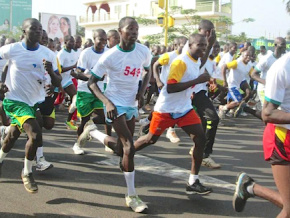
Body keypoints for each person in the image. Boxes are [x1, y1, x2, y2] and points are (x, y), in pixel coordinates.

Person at [85, 17, 152, 213]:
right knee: (129, 147)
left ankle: (94, 132)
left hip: (131, 103)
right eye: (130, 29)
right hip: (115, 104)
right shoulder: (109, 56)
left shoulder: (143, 51)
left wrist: (142, 92)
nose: (134, 33)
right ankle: (131, 196)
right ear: (120, 31)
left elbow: (148, 72)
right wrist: (106, 102)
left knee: (123, 150)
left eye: (136, 30)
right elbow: (91, 82)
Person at [134, 33, 212, 195]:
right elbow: (171, 88)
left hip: (184, 108)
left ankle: (193, 181)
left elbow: (203, 57)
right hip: (166, 109)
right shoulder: (180, 62)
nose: (203, 48)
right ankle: (126, 152)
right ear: (190, 46)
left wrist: (211, 40)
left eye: (205, 46)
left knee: (200, 138)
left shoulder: (195, 59)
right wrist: (197, 80)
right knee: (150, 140)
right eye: (200, 45)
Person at [0, 18, 61, 193]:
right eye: (33, 29)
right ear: (24, 31)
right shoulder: (12, 49)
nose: (38, 32)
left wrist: (50, 71)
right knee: (35, 134)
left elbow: (57, 81)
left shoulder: (48, 54)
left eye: (40, 29)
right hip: (14, 100)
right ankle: (27, 172)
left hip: (34, 101)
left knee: (12, 135)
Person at [233, 51, 290, 218]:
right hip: (282, 138)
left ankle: (250, 187)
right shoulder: (282, 68)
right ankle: (250, 187)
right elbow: (267, 114)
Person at [71, 29, 111, 155]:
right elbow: (78, 73)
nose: (103, 42)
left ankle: (105, 140)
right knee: (84, 120)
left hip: (100, 89)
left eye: (105, 40)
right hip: (85, 90)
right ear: (94, 39)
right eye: (101, 39)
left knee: (105, 117)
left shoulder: (108, 53)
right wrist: (93, 77)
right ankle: (77, 144)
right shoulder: (86, 53)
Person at [246, 37, 286, 120]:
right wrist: (266, 83)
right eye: (282, 45)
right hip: (264, 89)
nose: (284, 47)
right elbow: (253, 74)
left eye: (285, 45)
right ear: (275, 45)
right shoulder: (267, 59)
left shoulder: (284, 59)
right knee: (268, 114)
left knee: (275, 112)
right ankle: (248, 110)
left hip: (276, 90)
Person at [219, 50, 254, 118]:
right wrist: (224, 81)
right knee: (238, 102)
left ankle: (236, 107)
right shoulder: (237, 63)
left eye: (250, 56)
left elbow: (253, 75)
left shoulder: (249, 65)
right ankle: (223, 107)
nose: (248, 58)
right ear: (242, 56)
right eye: (246, 56)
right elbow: (224, 67)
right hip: (232, 84)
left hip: (241, 82)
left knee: (249, 93)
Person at [57, 35, 78, 130]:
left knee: (76, 97)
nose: (73, 43)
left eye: (73, 41)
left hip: (68, 81)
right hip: (58, 82)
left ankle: (69, 121)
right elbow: (59, 70)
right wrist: (73, 66)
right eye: (71, 41)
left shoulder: (73, 53)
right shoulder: (61, 54)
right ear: (65, 42)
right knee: (51, 104)